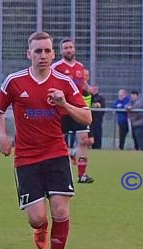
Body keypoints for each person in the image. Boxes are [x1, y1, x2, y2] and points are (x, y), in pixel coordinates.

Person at [0, 31, 92, 249]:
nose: (43, 56)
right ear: (29, 54)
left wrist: (64, 105)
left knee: (61, 209)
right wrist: (2, 136)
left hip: (56, 153)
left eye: (47, 51)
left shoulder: (64, 83)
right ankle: (40, 228)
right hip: (25, 158)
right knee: (36, 218)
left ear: (53, 54)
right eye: (38, 51)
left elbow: (87, 117)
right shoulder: (14, 81)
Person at [51, 38, 94, 183]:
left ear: (74, 49)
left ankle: (82, 175)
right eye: (65, 48)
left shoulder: (80, 67)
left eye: (70, 47)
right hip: (62, 110)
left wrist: (89, 88)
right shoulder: (56, 67)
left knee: (83, 141)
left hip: (78, 110)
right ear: (61, 51)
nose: (68, 50)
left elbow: (81, 85)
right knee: (58, 142)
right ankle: (57, 173)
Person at [89, 85, 105, 149]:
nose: (94, 90)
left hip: (97, 121)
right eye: (93, 89)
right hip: (89, 121)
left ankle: (97, 149)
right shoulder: (89, 97)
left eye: (95, 89)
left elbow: (102, 110)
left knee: (97, 137)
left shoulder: (101, 98)